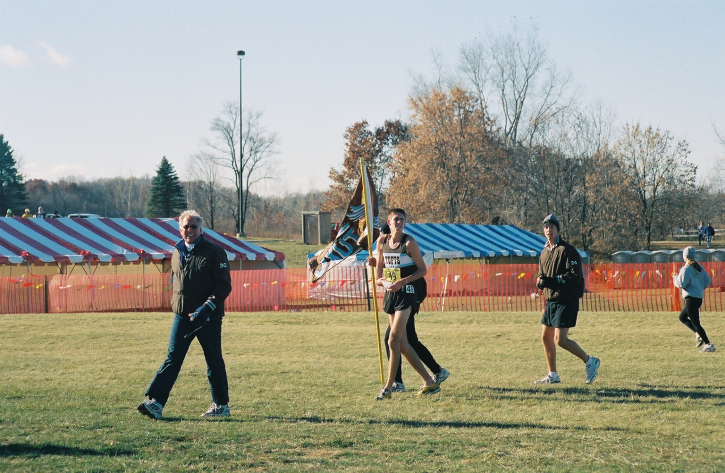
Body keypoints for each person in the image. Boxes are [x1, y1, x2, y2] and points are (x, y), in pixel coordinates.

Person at [138, 210, 233, 419]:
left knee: (213, 359)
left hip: (207, 316)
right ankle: (155, 403)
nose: (189, 231)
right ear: (180, 229)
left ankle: (221, 405)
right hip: (182, 315)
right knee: (173, 358)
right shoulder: (177, 251)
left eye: (193, 227)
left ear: (201, 229)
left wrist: (207, 307)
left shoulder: (215, 252)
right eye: (185, 227)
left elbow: (224, 286)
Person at [370, 222, 450, 393]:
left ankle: (399, 383)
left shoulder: (408, 243)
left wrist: (404, 283)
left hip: (409, 294)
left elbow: (420, 270)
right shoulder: (384, 244)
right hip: (394, 295)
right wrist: (376, 263)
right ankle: (435, 372)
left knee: (394, 340)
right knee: (406, 340)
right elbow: (385, 270)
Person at [534, 214, 600, 385]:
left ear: (558, 230)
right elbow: (542, 275)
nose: (548, 230)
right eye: (546, 227)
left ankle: (590, 361)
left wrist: (551, 281)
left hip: (567, 299)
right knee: (545, 337)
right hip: (552, 300)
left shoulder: (567, 250)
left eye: (552, 227)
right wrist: (540, 282)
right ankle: (552, 375)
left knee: (560, 340)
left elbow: (574, 276)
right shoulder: (544, 253)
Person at [674, 246, 715, 353]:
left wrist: (675, 278)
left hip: (691, 299)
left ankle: (708, 344)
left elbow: (681, 284)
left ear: (685, 257)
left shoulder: (686, 269)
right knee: (682, 317)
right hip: (698, 298)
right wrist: (698, 287)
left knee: (696, 323)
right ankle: (697, 333)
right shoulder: (699, 267)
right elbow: (707, 281)